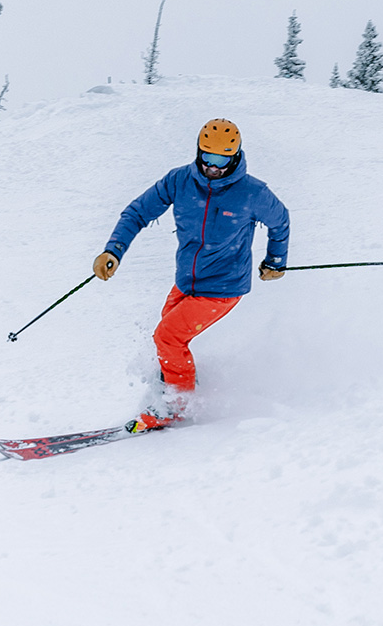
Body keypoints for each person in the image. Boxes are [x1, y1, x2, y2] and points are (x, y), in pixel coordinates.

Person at [93, 118, 290, 432]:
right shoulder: (180, 181)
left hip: (223, 287)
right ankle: (180, 382)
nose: (214, 167)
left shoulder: (252, 193)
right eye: (208, 158)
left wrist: (275, 261)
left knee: (168, 337)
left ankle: (176, 407)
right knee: (168, 333)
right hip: (187, 280)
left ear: (235, 156)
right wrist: (113, 250)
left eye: (222, 160)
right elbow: (138, 211)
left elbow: (280, 221)